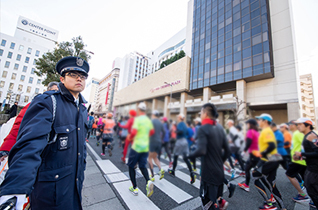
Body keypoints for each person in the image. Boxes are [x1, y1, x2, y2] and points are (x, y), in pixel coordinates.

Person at [0, 56, 89, 210]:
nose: (79, 79)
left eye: (82, 76)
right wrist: (16, 188)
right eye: (73, 75)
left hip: (74, 185)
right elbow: (29, 145)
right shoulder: (48, 102)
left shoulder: (82, 109)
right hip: (49, 192)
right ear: (62, 78)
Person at [0, 82, 59, 163]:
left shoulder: (61, 108)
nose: (54, 94)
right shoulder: (36, 104)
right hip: (31, 149)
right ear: (47, 90)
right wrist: (6, 148)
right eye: (53, 90)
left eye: (57, 92)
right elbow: (18, 127)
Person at [188, 103, 231, 210]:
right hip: (219, 173)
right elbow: (227, 150)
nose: (201, 115)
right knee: (214, 201)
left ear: (206, 113)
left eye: (201, 113)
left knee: (208, 205)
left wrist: (190, 155)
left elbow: (201, 150)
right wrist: (219, 162)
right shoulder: (219, 128)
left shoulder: (204, 128)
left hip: (209, 174)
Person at [253, 114, 286, 210]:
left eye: (260, 120)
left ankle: (268, 204)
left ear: (266, 121)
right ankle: (282, 207)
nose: (258, 122)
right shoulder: (267, 131)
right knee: (271, 183)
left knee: (255, 177)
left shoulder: (266, 131)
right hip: (273, 159)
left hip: (269, 160)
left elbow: (271, 146)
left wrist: (261, 154)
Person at [127, 103, 154, 197]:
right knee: (142, 166)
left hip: (136, 146)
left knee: (131, 166)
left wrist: (130, 137)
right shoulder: (148, 120)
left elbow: (134, 132)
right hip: (145, 147)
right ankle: (148, 181)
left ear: (139, 110)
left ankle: (135, 188)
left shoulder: (137, 120)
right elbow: (151, 132)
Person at [293, 118, 318, 208]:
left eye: (300, 124)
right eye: (297, 125)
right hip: (310, 167)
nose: (298, 126)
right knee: (310, 189)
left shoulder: (311, 136)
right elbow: (311, 153)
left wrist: (301, 154)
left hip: (314, 169)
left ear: (308, 125)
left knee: (312, 190)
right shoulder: (306, 135)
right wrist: (301, 157)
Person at [285, 120, 309, 202]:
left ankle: (302, 194)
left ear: (294, 125)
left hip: (298, 160)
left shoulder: (297, 134)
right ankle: (313, 198)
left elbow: (305, 145)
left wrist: (301, 155)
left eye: (290, 125)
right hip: (300, 160)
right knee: (306, 179)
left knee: (289, 174)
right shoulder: (296, 133)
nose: (288, 126)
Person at [168, 114, 196, 184]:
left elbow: (180, 131)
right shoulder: (184, 125)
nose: (177, 118)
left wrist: (175, 131)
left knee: (175, 156)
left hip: (180, 141)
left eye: (178, 117)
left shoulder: (180, 124)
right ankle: (191, 173)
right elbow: (186, 132)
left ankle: (173, 171)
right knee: (185, 158)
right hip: (185, 141)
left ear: (180, 118)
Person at [238, 119, 260, 192]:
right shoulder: (257, 132)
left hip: (253, 154)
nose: (247, 125)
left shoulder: (250, 132)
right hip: (257, 153)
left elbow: (249, 142)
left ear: (250, 124)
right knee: (250, 169)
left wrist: (244, 151)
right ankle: (246, 185)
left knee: (247, 169)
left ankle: (247, 185)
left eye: (247, 124)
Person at [148, 110, 165, 181]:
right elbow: (164, 132)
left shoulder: (151, 121)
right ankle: (160, 169)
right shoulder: (160, 123)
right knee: (155, 157)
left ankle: (152, 175)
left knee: (149, 158)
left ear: (153, 115)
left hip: (152, 141)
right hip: (159, 142)